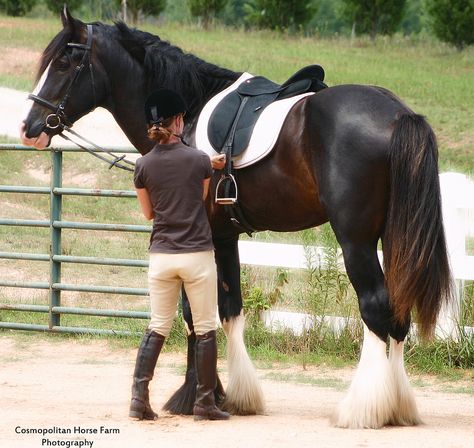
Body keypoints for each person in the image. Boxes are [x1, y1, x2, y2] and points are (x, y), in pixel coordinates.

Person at [129, 88, 229, 421]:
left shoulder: (142, 165)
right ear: (179, 122)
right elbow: (200, 198)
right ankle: (205, 402)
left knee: (157, 326)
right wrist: (210, 166)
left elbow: (148, 214)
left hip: (161, 257)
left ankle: (139, 399)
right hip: (197, 254)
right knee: (204, 329)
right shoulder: (199, 159)